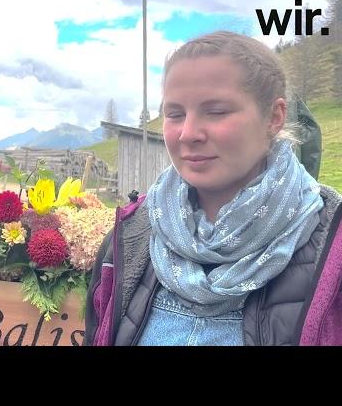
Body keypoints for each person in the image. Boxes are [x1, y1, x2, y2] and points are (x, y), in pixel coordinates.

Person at [86, 31, 342, 346]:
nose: (188, 133)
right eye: (175, 114)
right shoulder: (134, 232)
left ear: (274, 117)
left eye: (217, 111)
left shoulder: (332, 246)